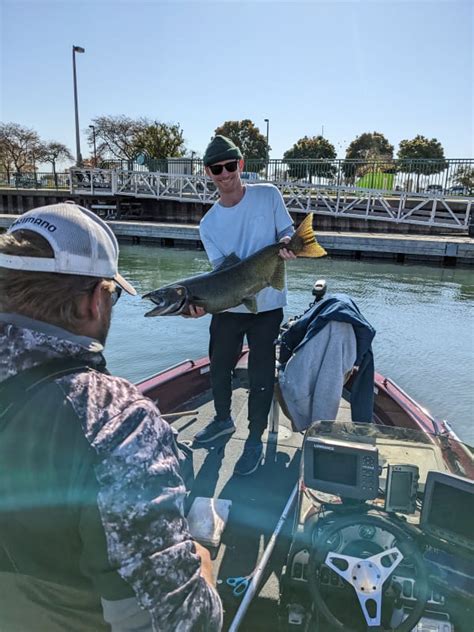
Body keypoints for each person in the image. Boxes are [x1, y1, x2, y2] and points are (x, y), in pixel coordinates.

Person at [0, 203, 222, 632]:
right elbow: (183, 623)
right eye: (114, 294)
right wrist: (204, 566)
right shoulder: (113, 419)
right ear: (94, 301)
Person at [188, 135, 296, 476]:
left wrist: (289, 245)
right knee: (219, 368)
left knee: (262, 375)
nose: (225, 174)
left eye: (230, 166)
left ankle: (254, 438)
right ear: (208, 173)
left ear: (241, 165)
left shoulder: (268, 195)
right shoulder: (208, 224)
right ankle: (222, 420)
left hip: (268, 305)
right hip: (228, 307)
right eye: (216, 169)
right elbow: (223, 273)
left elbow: (286, 233)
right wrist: (202, 303)